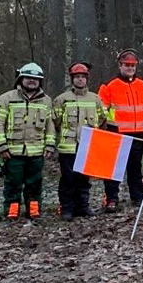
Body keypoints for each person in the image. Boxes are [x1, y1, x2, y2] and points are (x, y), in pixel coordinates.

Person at [0, 63, 55, 219]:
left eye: (36, 79)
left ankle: (33, 208)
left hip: (37, 151)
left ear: (40, 81)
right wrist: (1, 146)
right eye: (28, 78)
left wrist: (50, 145)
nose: (32, 81)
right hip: (13, 151)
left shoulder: (46, 101)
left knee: (35, 183)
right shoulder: (6, 98)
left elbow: (50, 125)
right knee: (13, 183)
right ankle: (12, 210)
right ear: (21, 79)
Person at [98, 48, 143, 212]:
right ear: (120, 66)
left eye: (132, 66)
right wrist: (108, 127)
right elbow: (100, 111)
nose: (130, 68)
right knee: (114, 169)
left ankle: (138, 197)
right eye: (127, 65)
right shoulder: (109, 87)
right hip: (117, 133)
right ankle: (112, 198)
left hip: (138, 133)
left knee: (135, 168)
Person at [53, 62, 108, 220]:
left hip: (87, 146)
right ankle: (67, 209)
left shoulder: (95, 99)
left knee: (84, 179)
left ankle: (83, 207)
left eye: (82, 77)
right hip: (67, 147)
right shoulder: (61, 99)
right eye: (77, 77)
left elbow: (103, 118)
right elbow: (55, 121)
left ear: (87, 79)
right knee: (68, 179)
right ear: (72, 79)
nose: (80, 80)